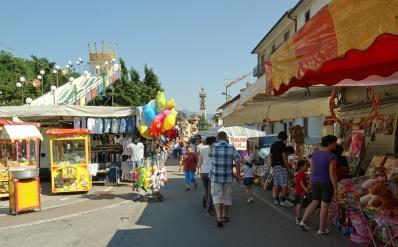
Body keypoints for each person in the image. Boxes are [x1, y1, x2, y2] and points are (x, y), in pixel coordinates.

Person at [300, 135, 338, 235]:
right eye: (335, 142)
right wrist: (336, 189)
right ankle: (322, 229)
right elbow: (332, 174)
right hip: (326, 183)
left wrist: (310, 183)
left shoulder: (315, 154)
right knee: (324, 206)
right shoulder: (332, 156)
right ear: (329, 143)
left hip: (315, 182)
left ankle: (303, 221)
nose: (336, 144)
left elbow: (311, 171)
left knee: (314, 202)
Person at [209, 131, 241, 228]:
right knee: (227, 197)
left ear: (218, 138)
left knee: (217, 196)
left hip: (216, 176)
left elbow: (210, 155)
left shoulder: (213, 147)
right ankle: (225, 216)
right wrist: (238, 175)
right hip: (228, 177)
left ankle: (218, 217)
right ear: (226, 138)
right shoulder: (231, 147)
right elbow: (237, 161)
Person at [270, 131, 295, 207]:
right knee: (284, 184)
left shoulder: (273, 144)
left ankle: (276, 199)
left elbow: (270, 155)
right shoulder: (283, 145)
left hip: (274, 166)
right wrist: (288, 168)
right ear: (284, 138)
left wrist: (271, 164)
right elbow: (284, 157)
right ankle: (283, 200)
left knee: (276, 183)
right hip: (281, 166)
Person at [198, 136, 216, 215]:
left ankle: (206, 205)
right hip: (211, 172)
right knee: (211, 192)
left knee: (206, 191)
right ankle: (209, 210)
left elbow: (200, 162)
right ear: (213, 142)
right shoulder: (215, 149)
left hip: (203, 172)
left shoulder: (203, 149)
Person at [295, 159, 310, 224]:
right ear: (301, 166)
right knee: (300, 205)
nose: (307, 167)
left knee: (299, 205)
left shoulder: (299, 173)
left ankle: (298, 217)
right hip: (301, 193)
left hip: (298, 192)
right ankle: (298, 218)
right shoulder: (302, 174)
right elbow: (301, 182)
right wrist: (305, 189)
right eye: (306, 165)